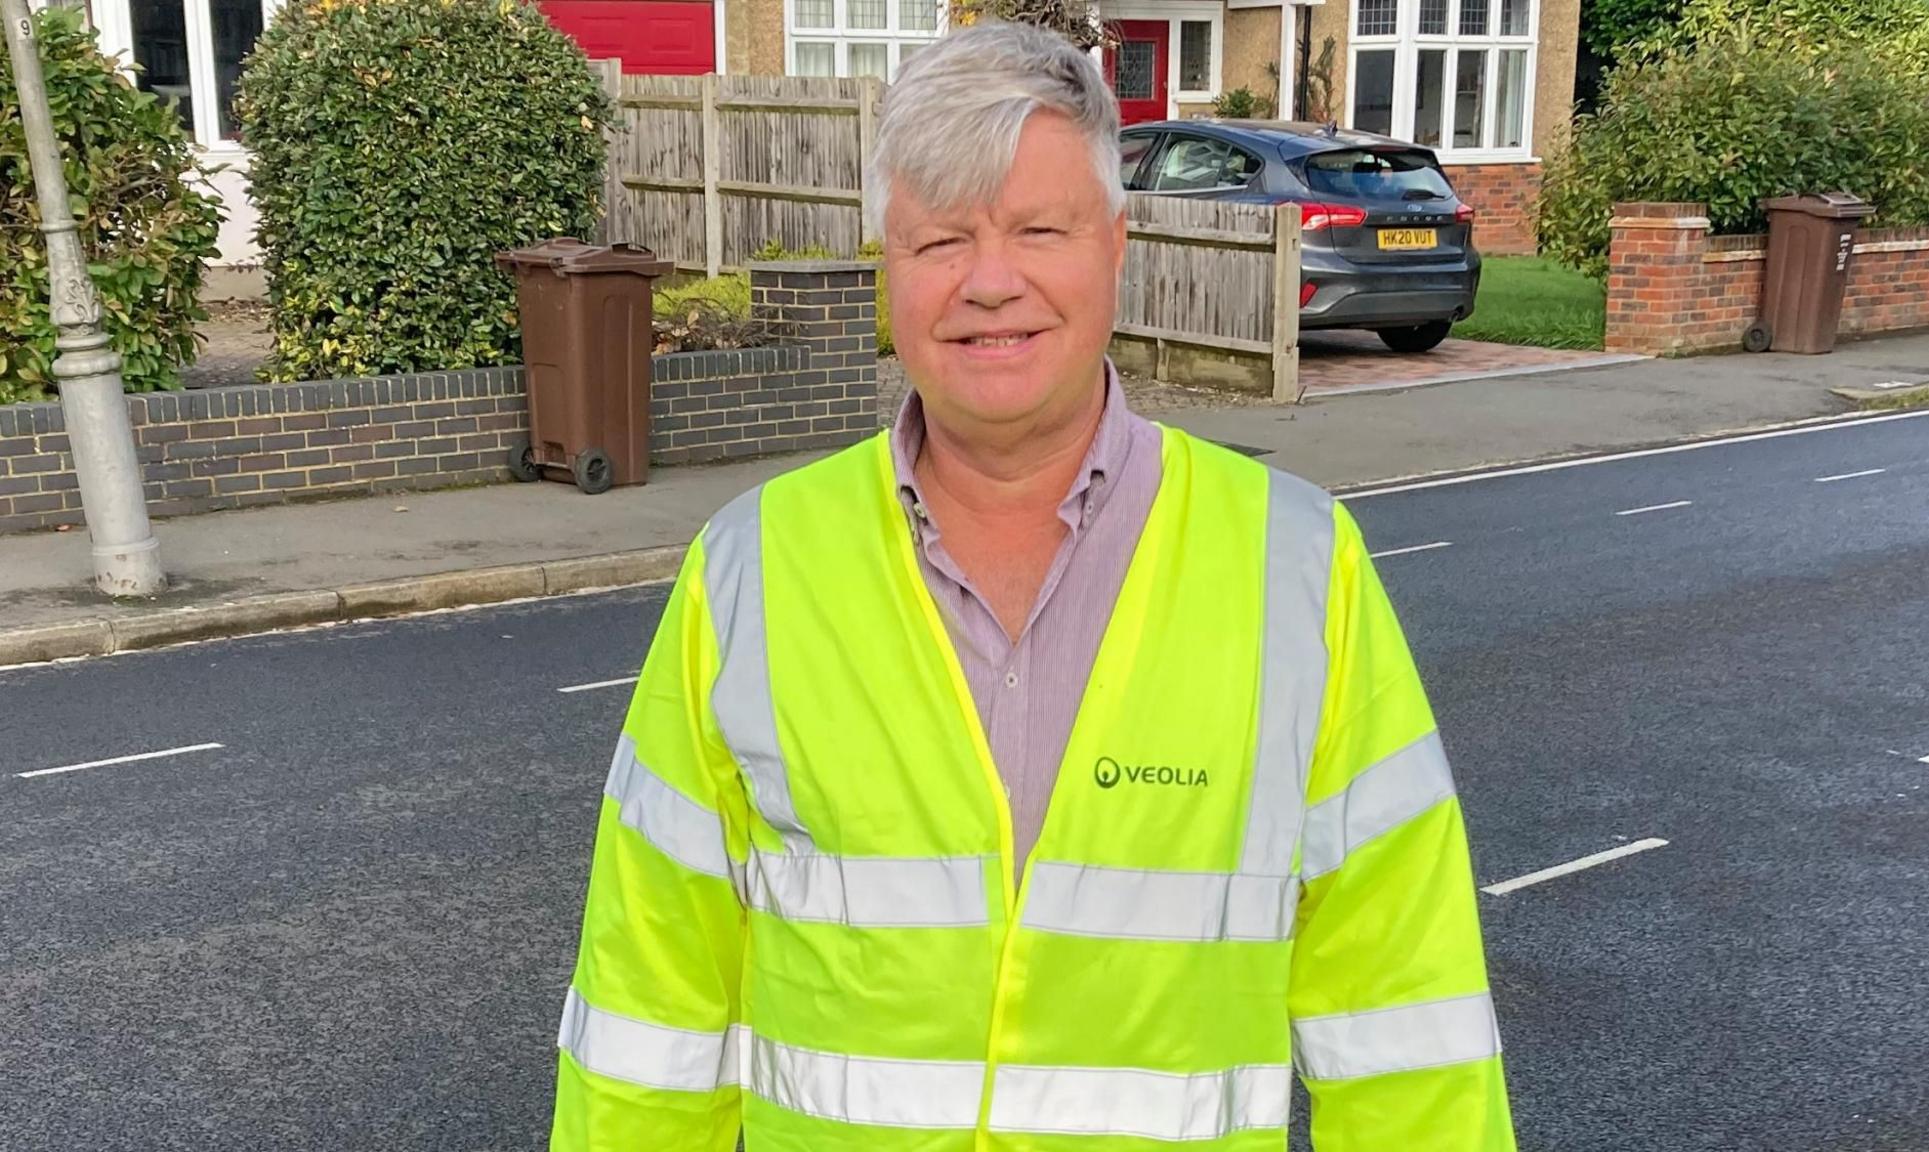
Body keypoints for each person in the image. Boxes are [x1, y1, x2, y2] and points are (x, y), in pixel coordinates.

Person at [548, 20, 1513, 1152]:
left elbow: (1405, 1022)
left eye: (1037, 229)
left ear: (1116, 245)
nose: (988, 282)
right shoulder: (748, 572)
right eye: (939, 239)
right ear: (886, 267)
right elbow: (647, 1020)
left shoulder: (1299, 571)